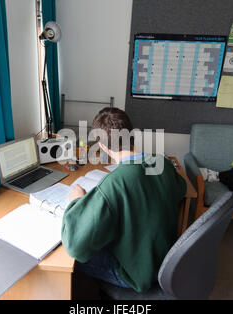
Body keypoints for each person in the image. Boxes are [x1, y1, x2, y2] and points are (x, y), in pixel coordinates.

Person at [61, 107, 187, 292]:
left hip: (136, 274)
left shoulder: (113, 184)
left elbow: (75, 246)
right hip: (164, 257)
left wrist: (76, 202)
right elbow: (180, 190)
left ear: (102, 146)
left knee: (69, 259)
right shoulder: (162, 162)